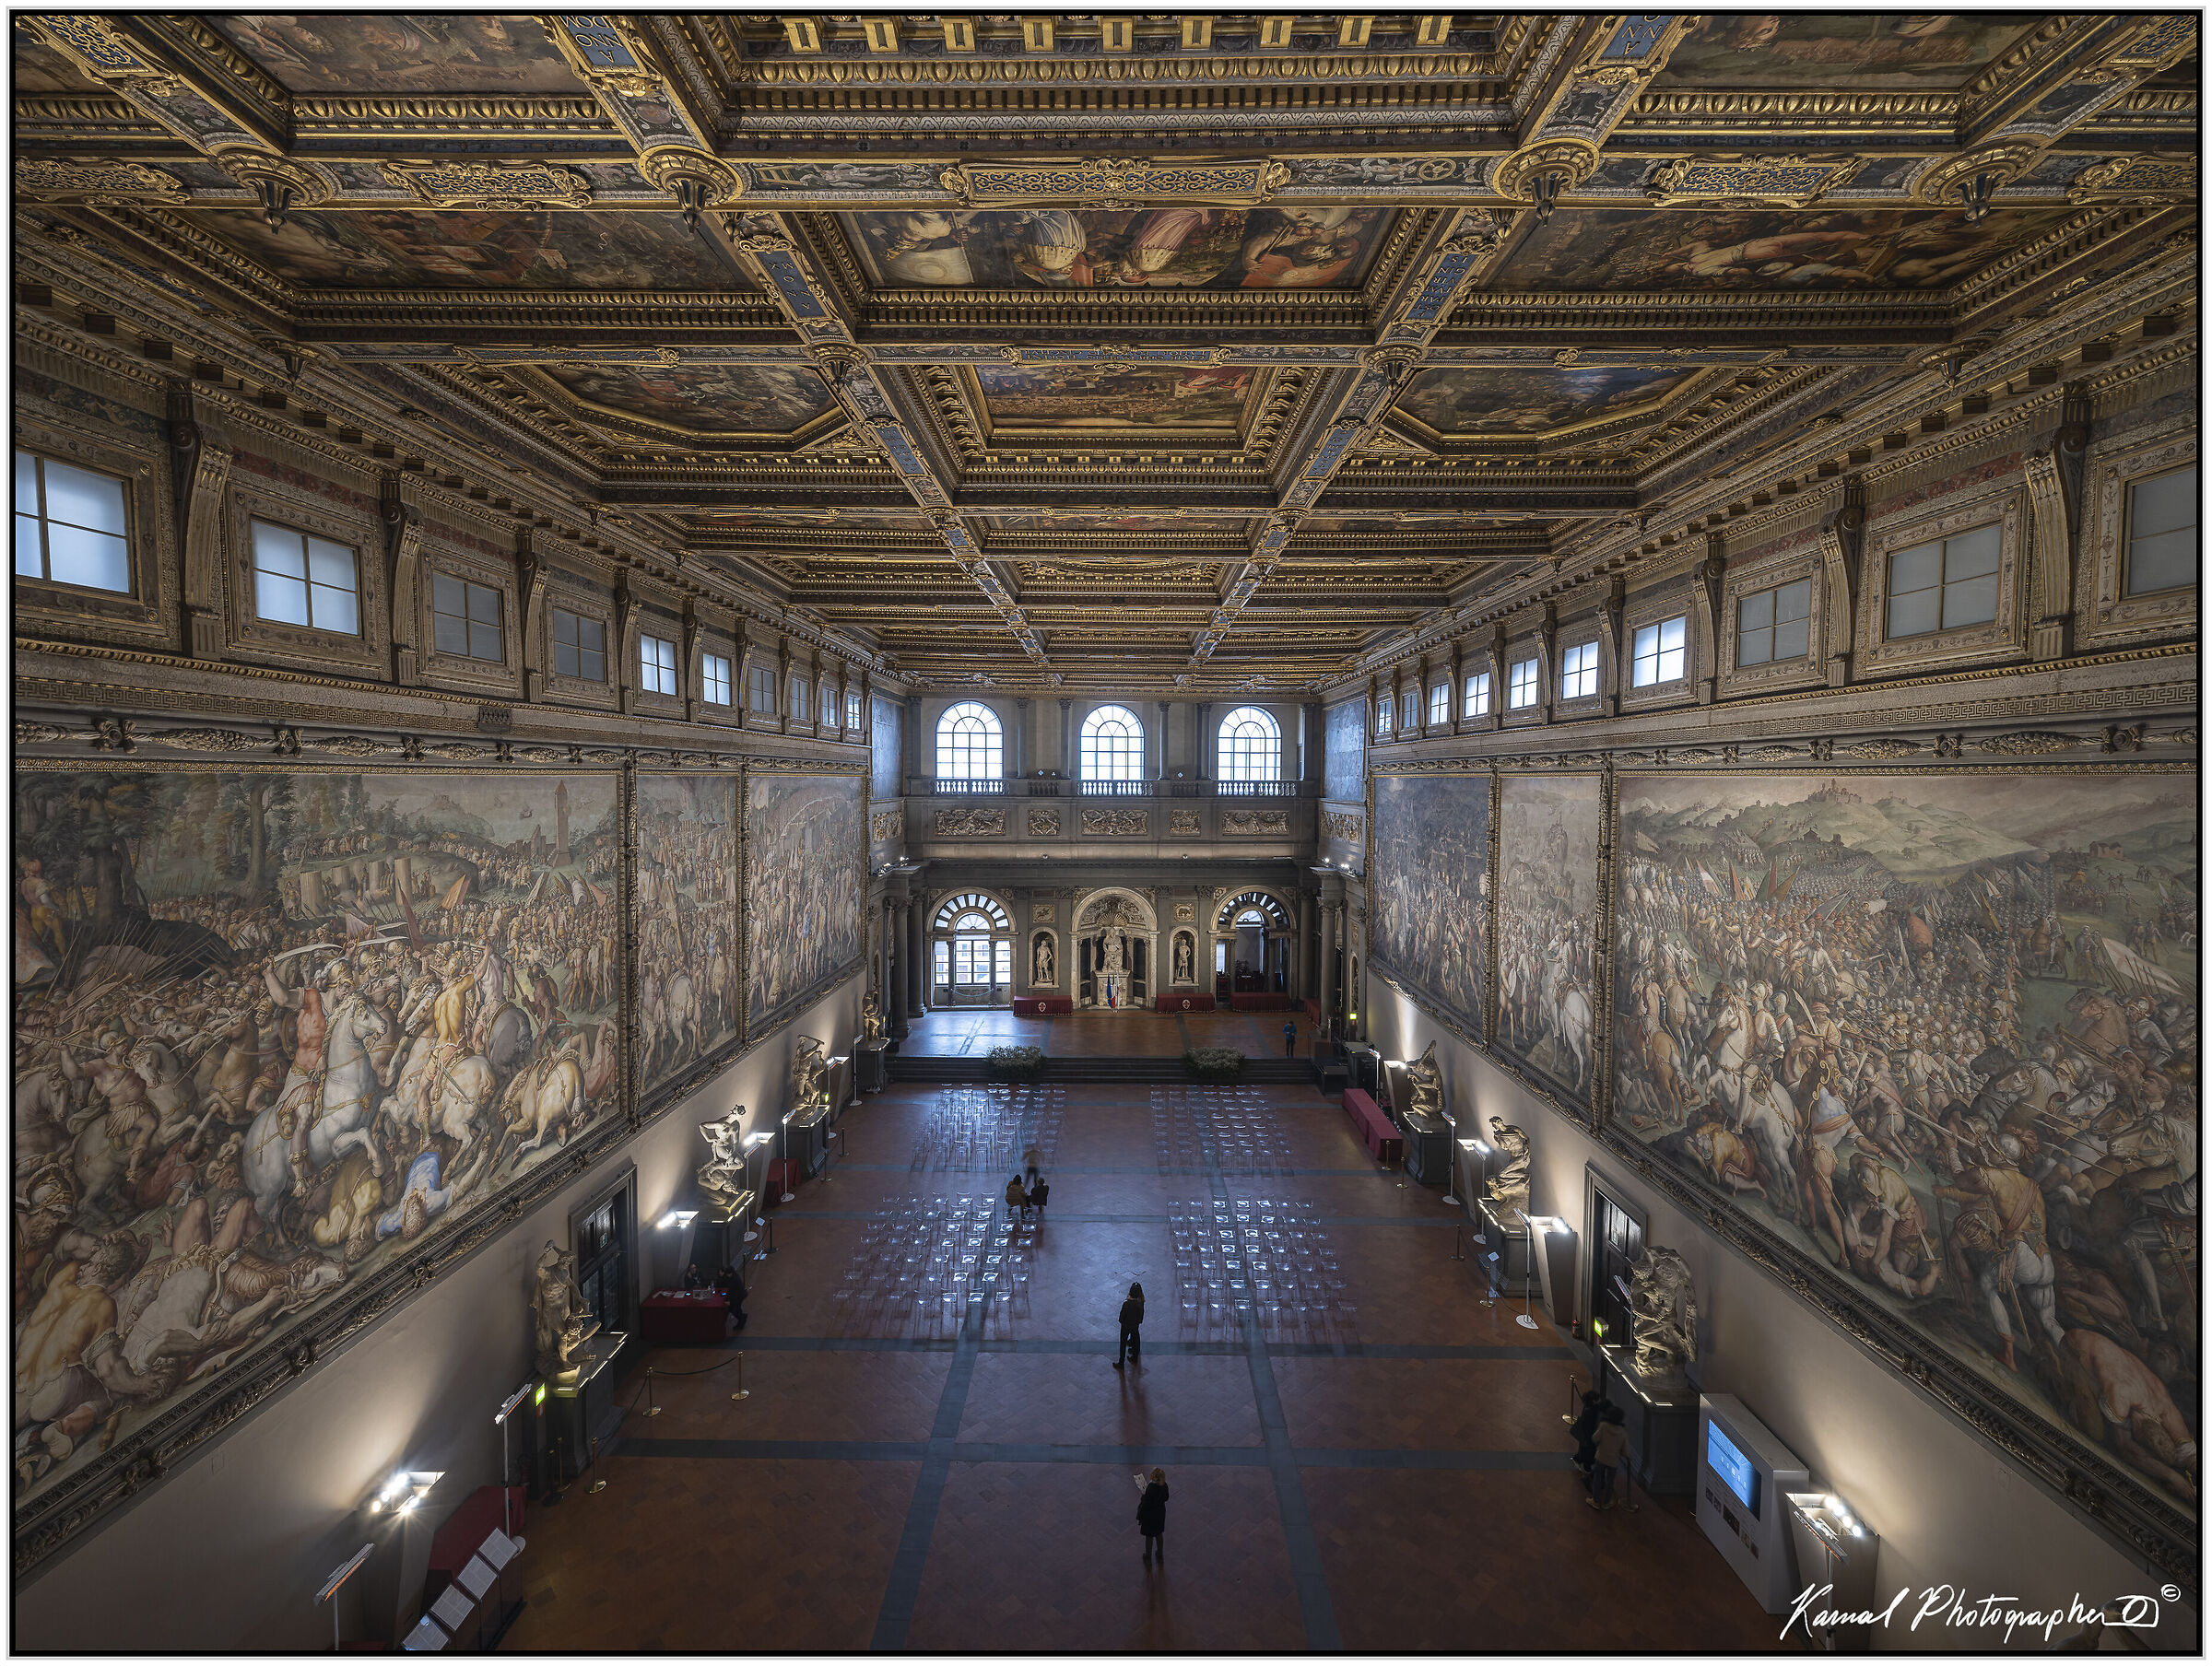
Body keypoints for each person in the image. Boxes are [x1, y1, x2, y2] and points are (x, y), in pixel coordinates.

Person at [1589, 1403, 1629, 1509]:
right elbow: (1625, 1451)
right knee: (1610, 1481)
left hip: (1601, 1457)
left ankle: (1595, 1500)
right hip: (1613, 1461)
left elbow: (1595, 1438)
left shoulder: (1603, 1426)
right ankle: (1606, 1502)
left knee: (1597, 1478)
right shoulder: (1623, 1432)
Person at [1568, 1388, 1606, 1483]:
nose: (1600, 1400)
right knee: (1588, 1455)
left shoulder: (1589, 1407)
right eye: (1598, 1399)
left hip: (1587, 1437)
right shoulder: (1590, 1412)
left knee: (1584, 1452)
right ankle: (1586, 1473)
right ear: (1594, 1401)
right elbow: (1589, 1427)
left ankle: (1578, 1460)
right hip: (1588, 1437)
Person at [1135, 1466, 1170, 1566]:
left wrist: (1143, 1495)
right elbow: (1166, 1497)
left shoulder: (1150, 1488)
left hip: (1150, 1516)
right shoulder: (1164, 1486)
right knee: (1159, 1535)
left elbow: (1146, 1503)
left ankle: (1148, 1557)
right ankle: (1159, 1554)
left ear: (1154, 1478)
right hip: (1160, 1514)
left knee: (1149, 1537)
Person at [1112, 1281, 1145, 1368]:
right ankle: (1135, 1356)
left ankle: (1121, 1362)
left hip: (1126, 1325)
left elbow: (1121, 1316)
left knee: (1123, 1343)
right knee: (1135, 1337)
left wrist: (1122, 1321)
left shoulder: (1127, 1304)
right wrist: (1138, 1321)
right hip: (1135, 1324)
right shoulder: (1141, 1301)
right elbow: (1141, 1314)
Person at [713, 1262, 748, 1331]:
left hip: (739, 1296)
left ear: (730, 1273)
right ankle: (742, 1317)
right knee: (736, 1309)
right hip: (740, 1295)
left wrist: (730, 1302)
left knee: (734, 1309)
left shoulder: (734, 1280)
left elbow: (734, 1293)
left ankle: (741, 1321)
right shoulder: (734, 1277)